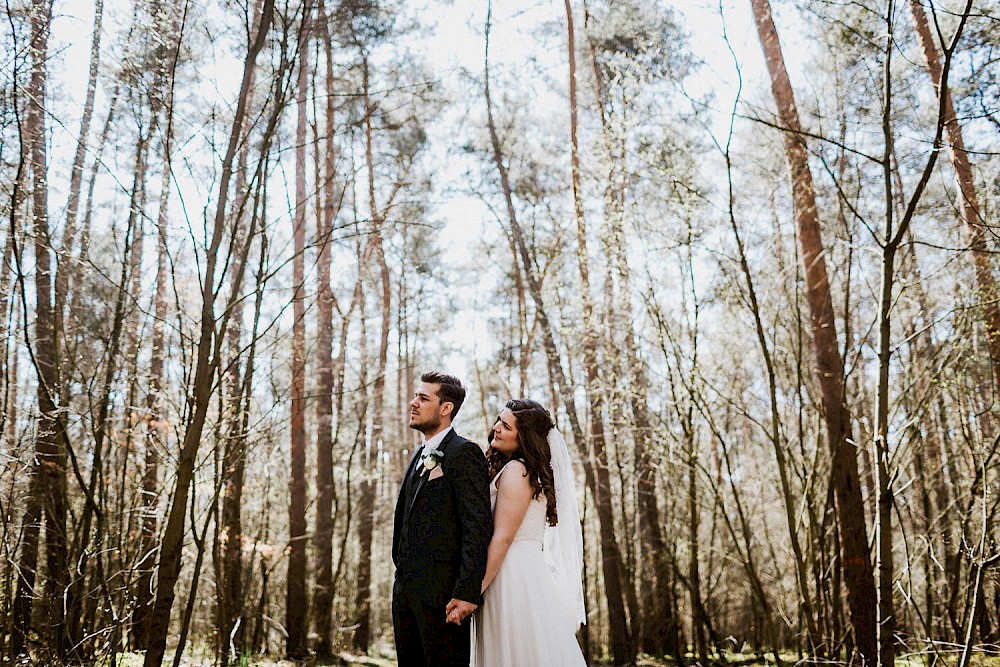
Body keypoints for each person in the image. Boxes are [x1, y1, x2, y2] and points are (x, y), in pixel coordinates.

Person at [471, 398, 587, 666]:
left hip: (510, 574)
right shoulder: (527, 471)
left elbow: (503, 536)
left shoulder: (516, 470)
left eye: (506, 426)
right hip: (525, 570)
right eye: (499, 420)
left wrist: (474, 590)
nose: (497, 428)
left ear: (524, 438)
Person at [392, 371, 493, 667]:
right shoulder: (418, 454)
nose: (413, 403)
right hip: (405, 597)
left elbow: (477, 527)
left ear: (446, 408)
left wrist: (466, 592)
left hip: (444, 601)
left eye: (423, 398)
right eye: (415, 396)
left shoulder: (464, 453)